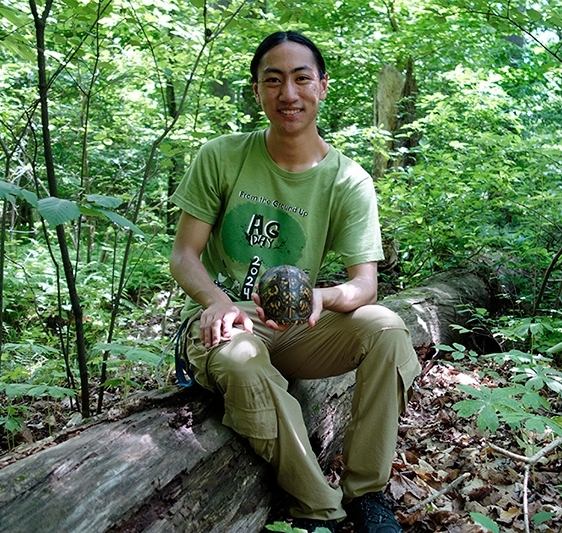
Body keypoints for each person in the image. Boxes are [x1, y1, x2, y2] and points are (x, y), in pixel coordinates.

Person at [169, 30, 421, 533]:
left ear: (322, 87)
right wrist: (218, 301)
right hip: (228, 325)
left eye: (302, 79)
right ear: (258, 90)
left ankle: (368, 494)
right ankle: (319, 509)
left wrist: (321, 298)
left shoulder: (348, 180)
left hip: (297, 326)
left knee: (388, 330)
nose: (289, 93)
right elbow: (183, 256)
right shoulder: (221, 156)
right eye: (274, 80)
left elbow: (363, 286)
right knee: (242, 363)